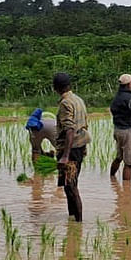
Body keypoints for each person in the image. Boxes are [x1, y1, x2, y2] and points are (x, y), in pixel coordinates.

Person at [53, 72, 90, 222]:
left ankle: (78, 223)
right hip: (79, 147)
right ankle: (72, 220)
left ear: (55, 88)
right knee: (69, 186)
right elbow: (85, 124)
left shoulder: (65, 103)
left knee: (71, 186)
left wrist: (65, 156)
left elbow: (69, 130)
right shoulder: (78, 100)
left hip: (70, 149)